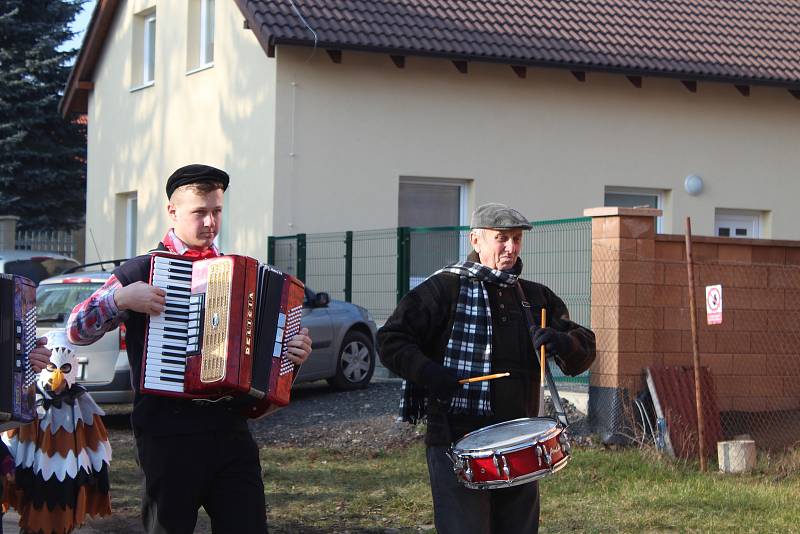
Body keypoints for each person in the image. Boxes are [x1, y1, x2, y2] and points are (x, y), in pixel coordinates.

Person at [66, 164, 313, 534]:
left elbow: (260, 357)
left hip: (230, 431)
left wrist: (293, 355)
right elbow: (75, 330)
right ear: (173, 211)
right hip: (168, 436)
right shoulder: (140, 271)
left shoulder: (239, 274)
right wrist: (121, 298)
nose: (211, 222)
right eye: (200, 212)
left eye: (216, 210)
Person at [377, 202, 596, 534]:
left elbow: (585, 346)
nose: (510, 248)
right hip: (456, 439)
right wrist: (431, 374)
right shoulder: (445, 289)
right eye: (502, 238)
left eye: (517, 239)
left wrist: (563, 342)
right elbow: (391, 340)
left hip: (519, 442)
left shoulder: (534, 297)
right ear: (476, 240)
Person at [2, 331, 111, 534]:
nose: (58, 374)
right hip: (35, 476)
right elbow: (15, 436)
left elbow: (96, 440)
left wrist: (99, 470)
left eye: (64, 367)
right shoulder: (30, 400)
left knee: (65, 519)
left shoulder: (82, 402)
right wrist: (12, 466)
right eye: (52, 367)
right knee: (35, 520)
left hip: (70, 477)